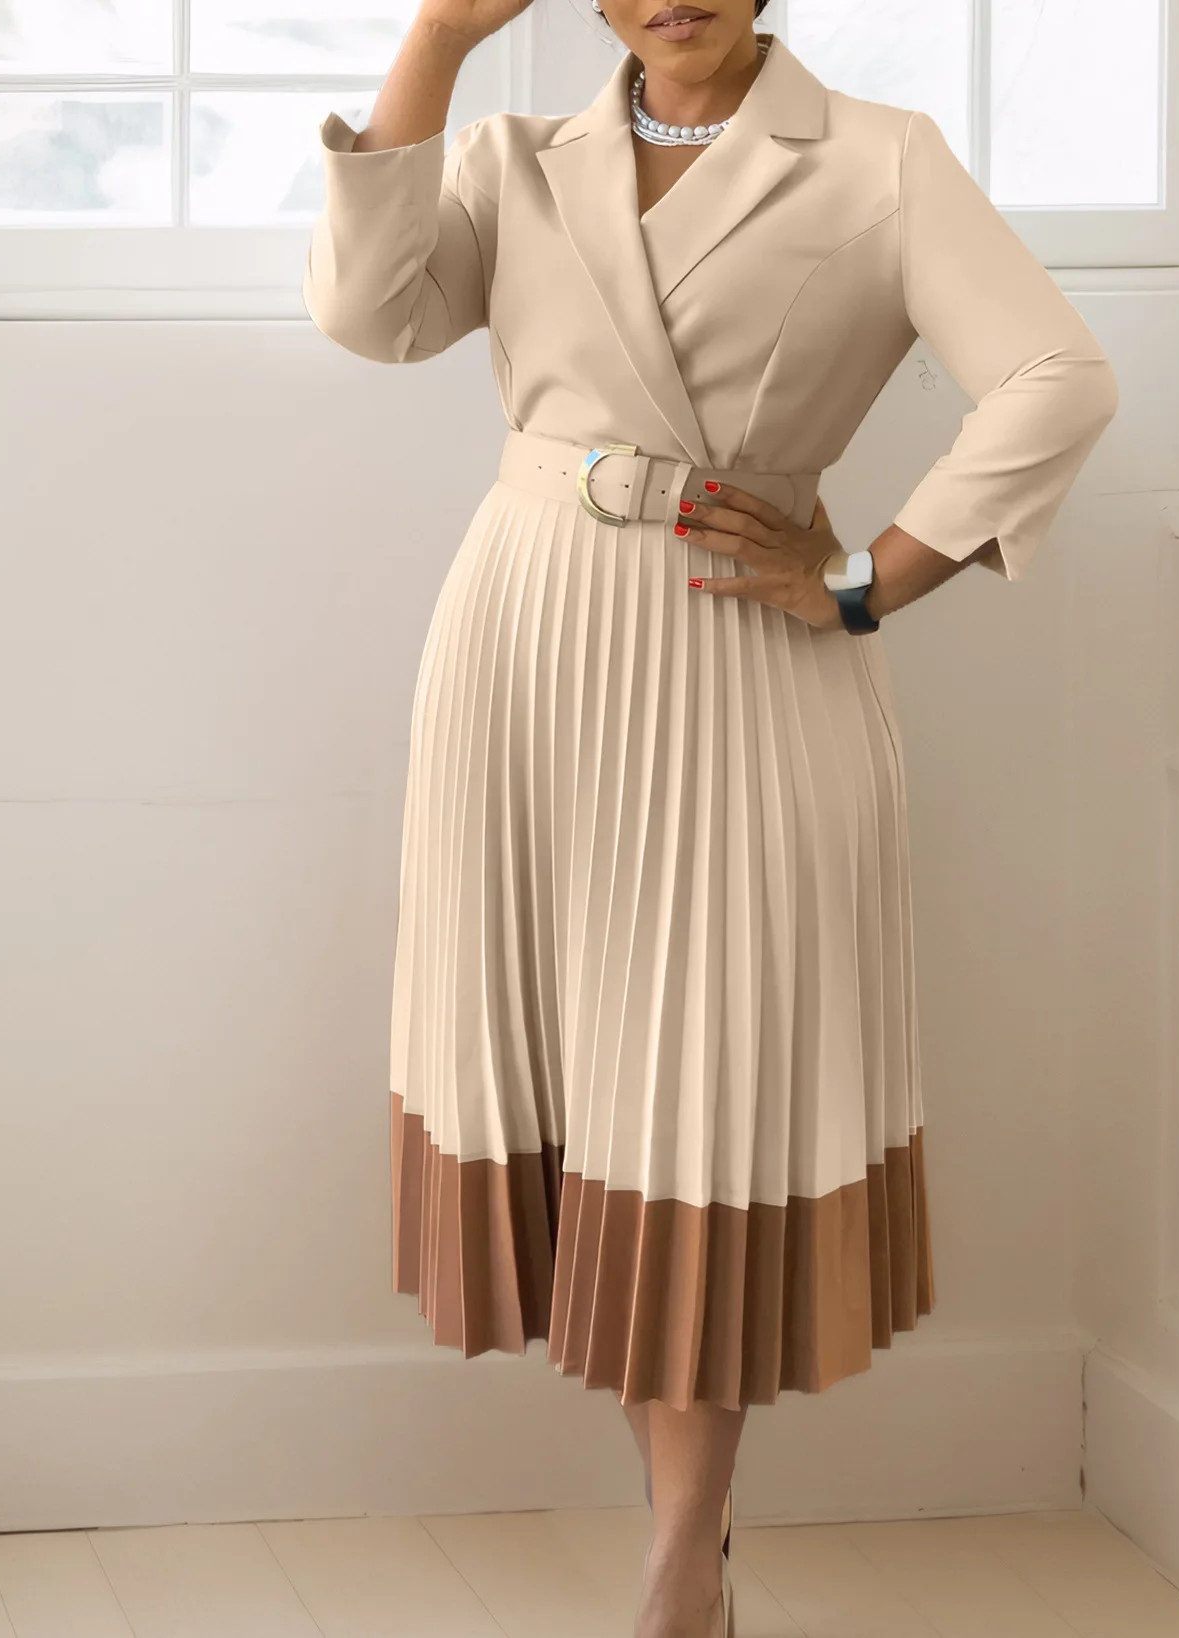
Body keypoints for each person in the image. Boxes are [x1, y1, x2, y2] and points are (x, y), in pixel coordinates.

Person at [302, 2, 1118, 1633]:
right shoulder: (516, 158)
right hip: (525, 643)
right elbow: (368, 312)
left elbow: (1057, 377)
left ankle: (682, 1560)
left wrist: (869, 578)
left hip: (740, 654)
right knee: (583, 1110)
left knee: (698, 1113)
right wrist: (441, 38)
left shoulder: (879, 159)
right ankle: (695, 1541)